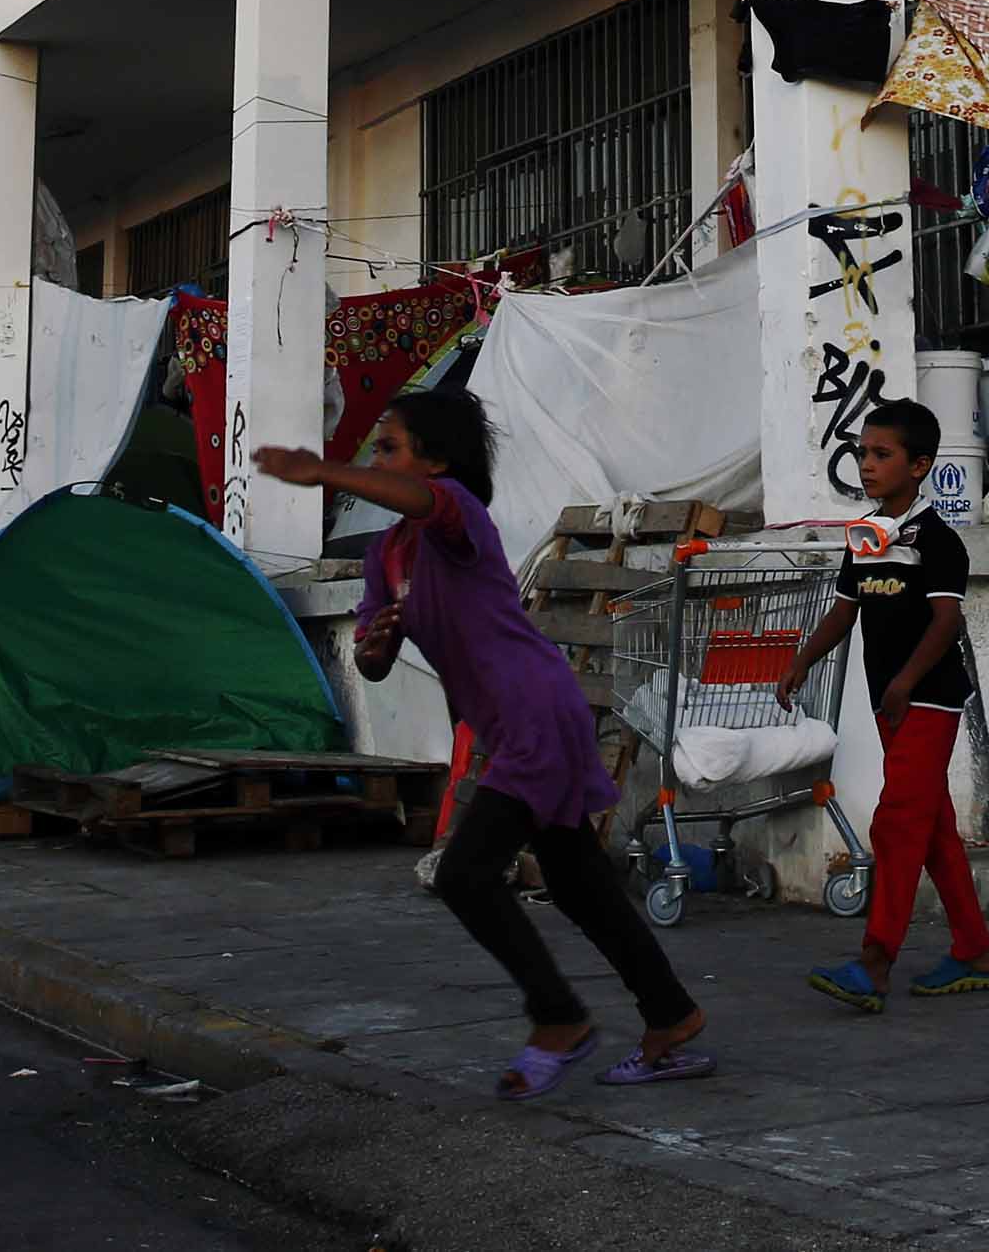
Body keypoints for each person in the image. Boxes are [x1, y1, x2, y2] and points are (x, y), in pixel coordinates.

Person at [250, 395, 710, 1099]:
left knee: (464, 874)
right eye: (374, 449)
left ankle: (558, 1018)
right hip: (510, 723)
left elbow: (423, 500)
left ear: (436, 461)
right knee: (577, 881)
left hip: (535, 712)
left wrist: (323, 471)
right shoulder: (385, 554)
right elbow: (372, 658)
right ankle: (671, 1014)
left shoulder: (457, 515)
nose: (376, 460)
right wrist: (375, 647)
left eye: (390, 447)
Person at [785, 400, 989, 1012]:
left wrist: (904, 681)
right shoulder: (867, 537)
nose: (867, 464)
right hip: (892, 703)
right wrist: (802, 659)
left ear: (919, 465)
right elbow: (844, 610)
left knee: (897, 822)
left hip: (928, 700)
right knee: (933, 830)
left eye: (882, 454)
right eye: (863, 453)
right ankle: (974, 951)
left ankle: (875, 963)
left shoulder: (939, 542)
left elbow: (946, 621)